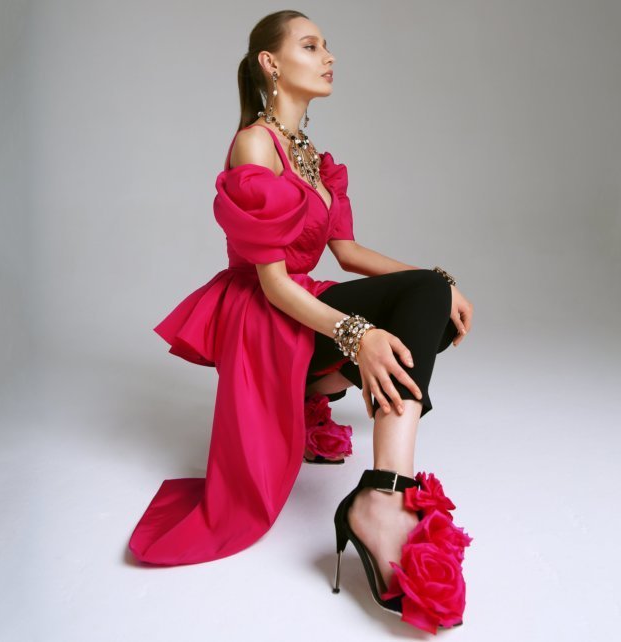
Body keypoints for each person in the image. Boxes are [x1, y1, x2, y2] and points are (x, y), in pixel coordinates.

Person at [128, 10, 474, 633]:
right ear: (271, 62)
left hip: (304, 302)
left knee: (429, 302)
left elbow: (348, 252)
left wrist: (438, 282)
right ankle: (381, 496)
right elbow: (272, 283)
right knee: (396, 324)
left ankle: (370, 469)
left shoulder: (313, 156)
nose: (328, 57)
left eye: (326, 46)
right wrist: (357, 334)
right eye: (311, 46)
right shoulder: (254, 144)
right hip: (265, 318)